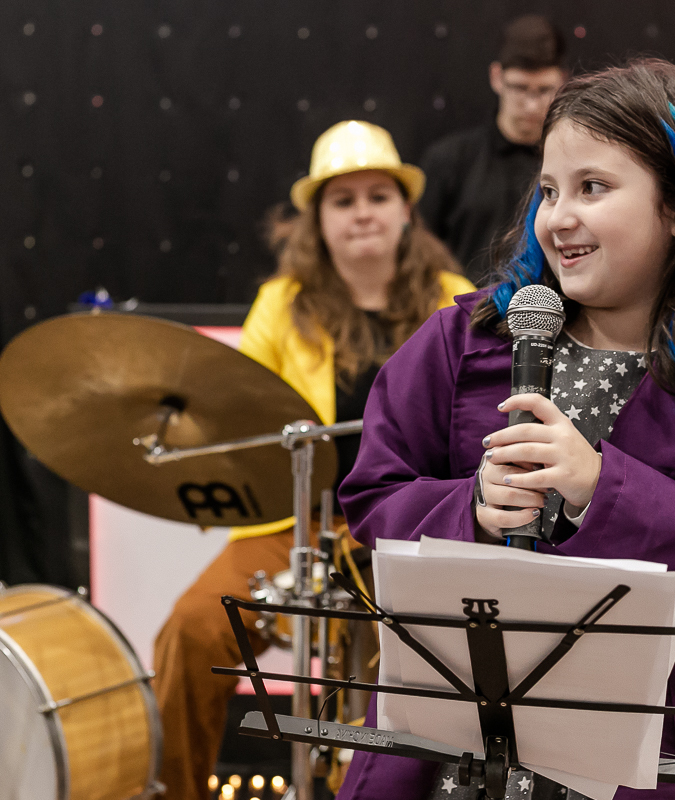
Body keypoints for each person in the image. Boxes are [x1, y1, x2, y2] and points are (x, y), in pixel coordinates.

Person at [335, 59, 675, 800]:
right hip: (442, 760)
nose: (558, 216)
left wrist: (605, 489)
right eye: (549, 190)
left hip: (638, 766)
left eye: (593, 188)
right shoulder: (459, 341)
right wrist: (465, 508)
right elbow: (373, 493)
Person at [150, 119, 476, 800]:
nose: (362, 212)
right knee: (192, 628)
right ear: (317, 220)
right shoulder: (281, 305)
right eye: (342, 199)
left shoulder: (455, 297)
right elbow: (240, 425)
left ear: (406, 209)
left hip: (414, 530)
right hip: (295, 526)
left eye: (377, 196)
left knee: (404, 677)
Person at [419, 14, 567, 284]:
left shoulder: (571, 162)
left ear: (562, 82)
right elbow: (419, 253)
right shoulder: (449, 160)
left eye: (545, 90)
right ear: (497, 77)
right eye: (520, 88)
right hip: (464, 314)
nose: (532, 105)